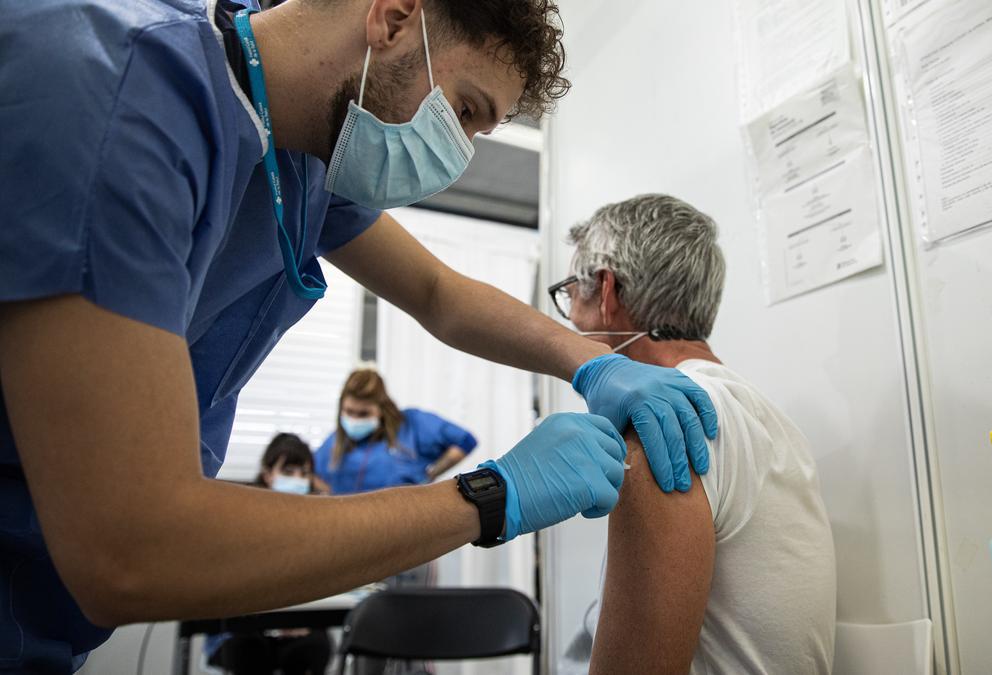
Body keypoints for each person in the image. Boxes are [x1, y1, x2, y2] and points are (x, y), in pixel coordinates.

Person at [0, 1, 720, 671]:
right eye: (465, 110)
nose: (458, 152)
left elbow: (440, 294)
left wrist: (588, 363)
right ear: (394, 17)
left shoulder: (300, 154)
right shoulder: (118, 95)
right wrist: (491, 495)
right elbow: (130, 548)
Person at [553, 195, 837, 674]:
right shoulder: (766, 417)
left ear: (606, 292)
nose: (570, 324)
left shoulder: (663, 420)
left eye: (569, 296)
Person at [205, 434, 333, 675]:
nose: (297, 479)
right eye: (288, 470)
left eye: (304, 473)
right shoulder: (242, 517)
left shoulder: (315, 523)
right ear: (267, 475)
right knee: (248, 649)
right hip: (242, 628)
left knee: (314, 647)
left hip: (297, 628)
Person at [315, 368, 475, 493]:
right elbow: (311, 473)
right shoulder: (335, 442)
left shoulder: (412, 425)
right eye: (349, 412)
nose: (355, 419)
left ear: (381, 409)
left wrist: (431, 473)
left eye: (364, 413)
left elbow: (465, 441)